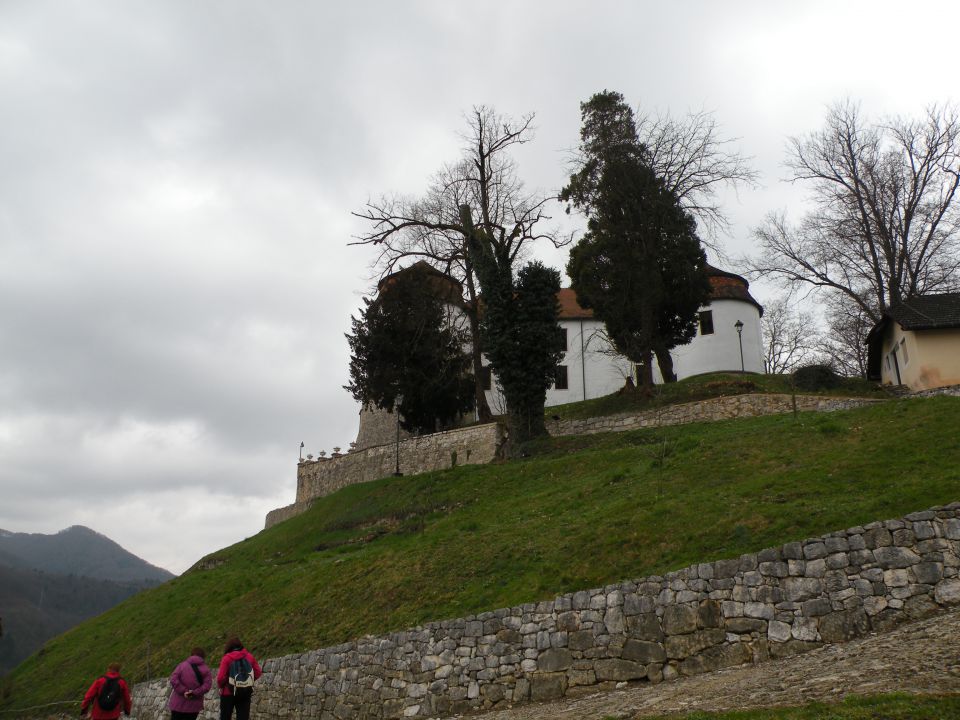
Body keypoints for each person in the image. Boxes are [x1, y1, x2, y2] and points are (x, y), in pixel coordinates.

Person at [216, 637, 262, 720]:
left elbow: (220, 678)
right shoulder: (249, 656)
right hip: (245, 691)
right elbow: (258, 672)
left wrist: (222, 685)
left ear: (229, 647)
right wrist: (247, 681)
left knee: (225, 717)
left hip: (228, 693)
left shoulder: (227, 658)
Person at [168, 646, 212, 720]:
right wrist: (194, 693)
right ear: (203, 656)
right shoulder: (206, 669)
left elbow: (173, 679)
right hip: (194, 706)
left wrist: (184, 691)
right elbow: (207, 686)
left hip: (178, 704)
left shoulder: (182, 665)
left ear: (191, 655)